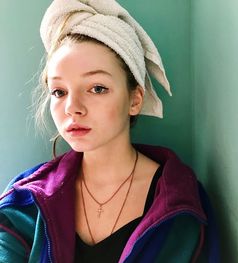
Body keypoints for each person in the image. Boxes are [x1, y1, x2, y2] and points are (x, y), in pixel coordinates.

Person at [0, 0, 219, 262]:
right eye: (59, 91)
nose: (73, 108)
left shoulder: (181, 207)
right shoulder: (23, 205)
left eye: (97, 88)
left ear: (135, 99)